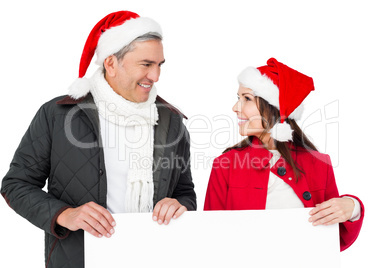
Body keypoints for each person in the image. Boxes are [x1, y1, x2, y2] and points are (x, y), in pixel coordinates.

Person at [1, 11, 196, 267]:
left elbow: (185, 193)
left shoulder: (171, 122)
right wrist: (65, 214)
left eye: (160, 65)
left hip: (153, 257)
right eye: (146, 64)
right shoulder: (58, 115)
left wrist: (178, 205)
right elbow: (16, 185)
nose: (156, 76)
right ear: (111, 63)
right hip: (79, 259)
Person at [203, 57, 364, 251]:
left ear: (275, 107)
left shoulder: (319, 165)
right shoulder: (225, 165)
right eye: (238, 98)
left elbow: (332, 240)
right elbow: (210, 238)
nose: (235, 108)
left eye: (246, 98)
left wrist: (353, 207)